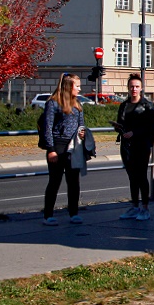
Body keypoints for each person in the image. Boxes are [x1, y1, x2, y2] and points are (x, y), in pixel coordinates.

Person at [42, 73, 87, 225]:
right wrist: (51, 149)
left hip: (73, 147)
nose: (80, 89)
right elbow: (47, 127)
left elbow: (81, 124)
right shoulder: (53, 103)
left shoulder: (78, 104)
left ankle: (74, 213)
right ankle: (48, 215)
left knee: (74, 181)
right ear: (69, 86)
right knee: (55, 181)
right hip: (58, 145)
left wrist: (82, 133)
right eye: (77, 86)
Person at [115, 73, 154, 221]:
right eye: (132, 86)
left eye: (137, 86)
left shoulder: (146, 106)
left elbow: (150, 127)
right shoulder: (124, 105)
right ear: (128, 88)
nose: (134, 89)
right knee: (132, 177)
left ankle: (145, 207)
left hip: (142, 145)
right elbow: (121, 123)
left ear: (141, 88)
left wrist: (134, 132)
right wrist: (119, 128)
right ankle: (134, 206)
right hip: (127, 146)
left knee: (141, 176)